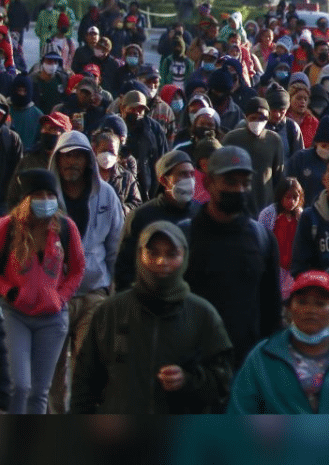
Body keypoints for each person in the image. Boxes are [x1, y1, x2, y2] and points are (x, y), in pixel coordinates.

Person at [70, 221, 233, 414]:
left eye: (171, 254)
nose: (161, 261)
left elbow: (223, 382)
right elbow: (84, 382)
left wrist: (188, 381)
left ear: (185, 257)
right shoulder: (110, 312)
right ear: (140, 255)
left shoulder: (202, 315)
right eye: (153, 253)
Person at [227, 270, 329, 414]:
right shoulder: (263, 356)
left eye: (321, 304)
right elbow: (240, 411)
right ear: (289, 309)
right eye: (302, 302)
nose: (311, 310)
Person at [180, 146, 283, 368]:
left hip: (246, 366)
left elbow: (271, 311)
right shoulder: (184, 238)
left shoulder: (262, 240)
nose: (239, 189)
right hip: (193, 369)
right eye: (230, 182)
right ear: (208, 183)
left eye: (245, 183)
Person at [46, 130, 125, 414]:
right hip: (54, 297)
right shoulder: (45, 197)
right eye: (66, 156)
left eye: (78, 155)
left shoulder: (106, 194)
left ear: (88, 160)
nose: (72, 163)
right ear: (57, 159)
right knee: (52, 369)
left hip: (94, 291)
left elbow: (117, 243)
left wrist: (115, 291)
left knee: (89, 363)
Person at [0, 169, 84, 414]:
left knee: (39, 391)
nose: (46, 200)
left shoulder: (66, 227)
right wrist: (9, 291)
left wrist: (61, 297)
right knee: (20, 385)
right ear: (26, 198)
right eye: (39, 194)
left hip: (52, 319)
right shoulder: (8, 227)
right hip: (16, 315)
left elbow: (78, 269)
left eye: (50, 194)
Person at [114, 150, 198, 291]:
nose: (189, 180)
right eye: (182, 174)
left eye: (191, 174)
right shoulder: (141, 216)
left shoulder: (201, 213)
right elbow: (124, 268)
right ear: (164, 180)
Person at [259, 177, 304, 296]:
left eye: (295, 197)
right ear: (280, 196)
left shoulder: (301, 216)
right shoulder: (269, 214)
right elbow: (262, 242)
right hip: (275, 268)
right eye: (288, 197)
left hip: (293, 271)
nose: (291, 201)